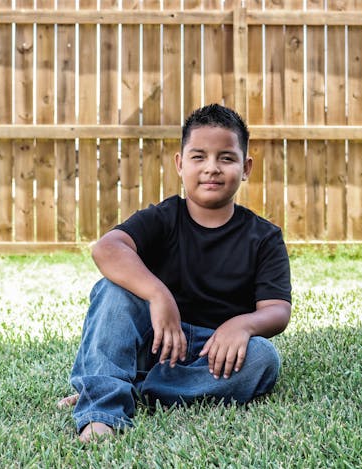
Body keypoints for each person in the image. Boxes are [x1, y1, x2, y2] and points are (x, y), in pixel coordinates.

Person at [59, 104, 292, 442]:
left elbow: (277, 310)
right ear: (180, 164)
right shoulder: (163, 217)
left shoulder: (264, 237)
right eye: (198, 157)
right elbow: (106, 249)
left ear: (246, 167)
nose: (211, 168)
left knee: (264, 359)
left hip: (213, 354)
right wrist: (158, 294)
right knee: (112, 290)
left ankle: (133, 387)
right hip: (154, 341)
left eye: (226, 158)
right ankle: (102, 410)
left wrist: (242, 325)